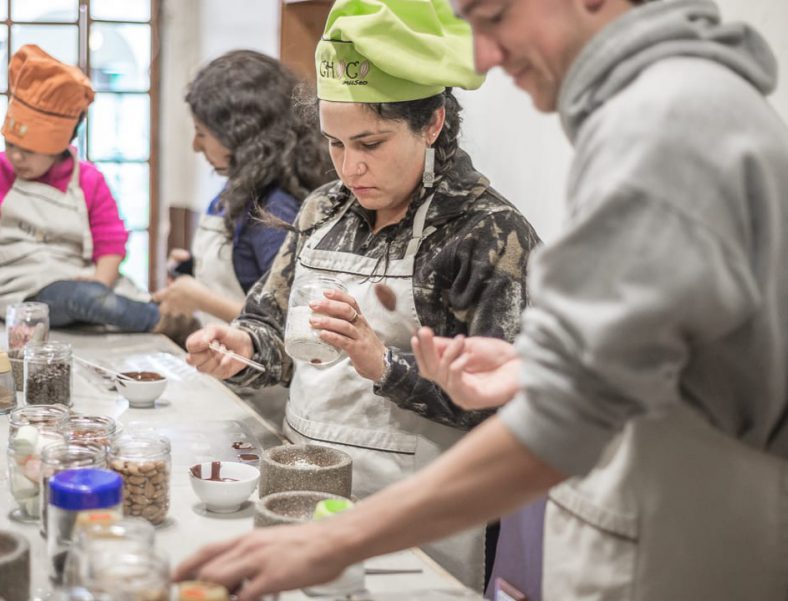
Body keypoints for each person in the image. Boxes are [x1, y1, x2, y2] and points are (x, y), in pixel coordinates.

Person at [173, 0, 788, 600]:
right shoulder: (667, 112)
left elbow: (563, 416)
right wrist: (528, 371)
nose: (485, 56)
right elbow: (659, 356)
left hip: (663, 545)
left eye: (494, 16)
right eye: (337, 145)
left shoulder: (664, 129)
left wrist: (337, 537)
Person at [182, 0, 540, 591]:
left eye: (370, 143)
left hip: (421, 523)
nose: (350, 168)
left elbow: (509, 416)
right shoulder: (324, 211)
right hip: (302, 497)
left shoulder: (487, 234)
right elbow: (271, 335)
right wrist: (237, 347)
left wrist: (386, 365)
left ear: (432, 123)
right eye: (335, 143)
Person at [0, 45, 192, 342]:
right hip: (20, 292)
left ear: (60, 146)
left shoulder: (89, 180)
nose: (17, 158)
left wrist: (100, 282)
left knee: (95, 298)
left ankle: (166, 320)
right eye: (11, 145)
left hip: (79, 283)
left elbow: (110, 240)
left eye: (30, 151)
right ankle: (168, 323)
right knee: (88, 300)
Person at [153, 49, 332, 424]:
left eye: (202, 133)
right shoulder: (240, 188)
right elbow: (244, 267)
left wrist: (198, 297)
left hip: (261, 405)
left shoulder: (275, 210)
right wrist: (194, 267)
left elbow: (286, 324)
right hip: (232, 386)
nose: (196, 146)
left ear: (241, 133)